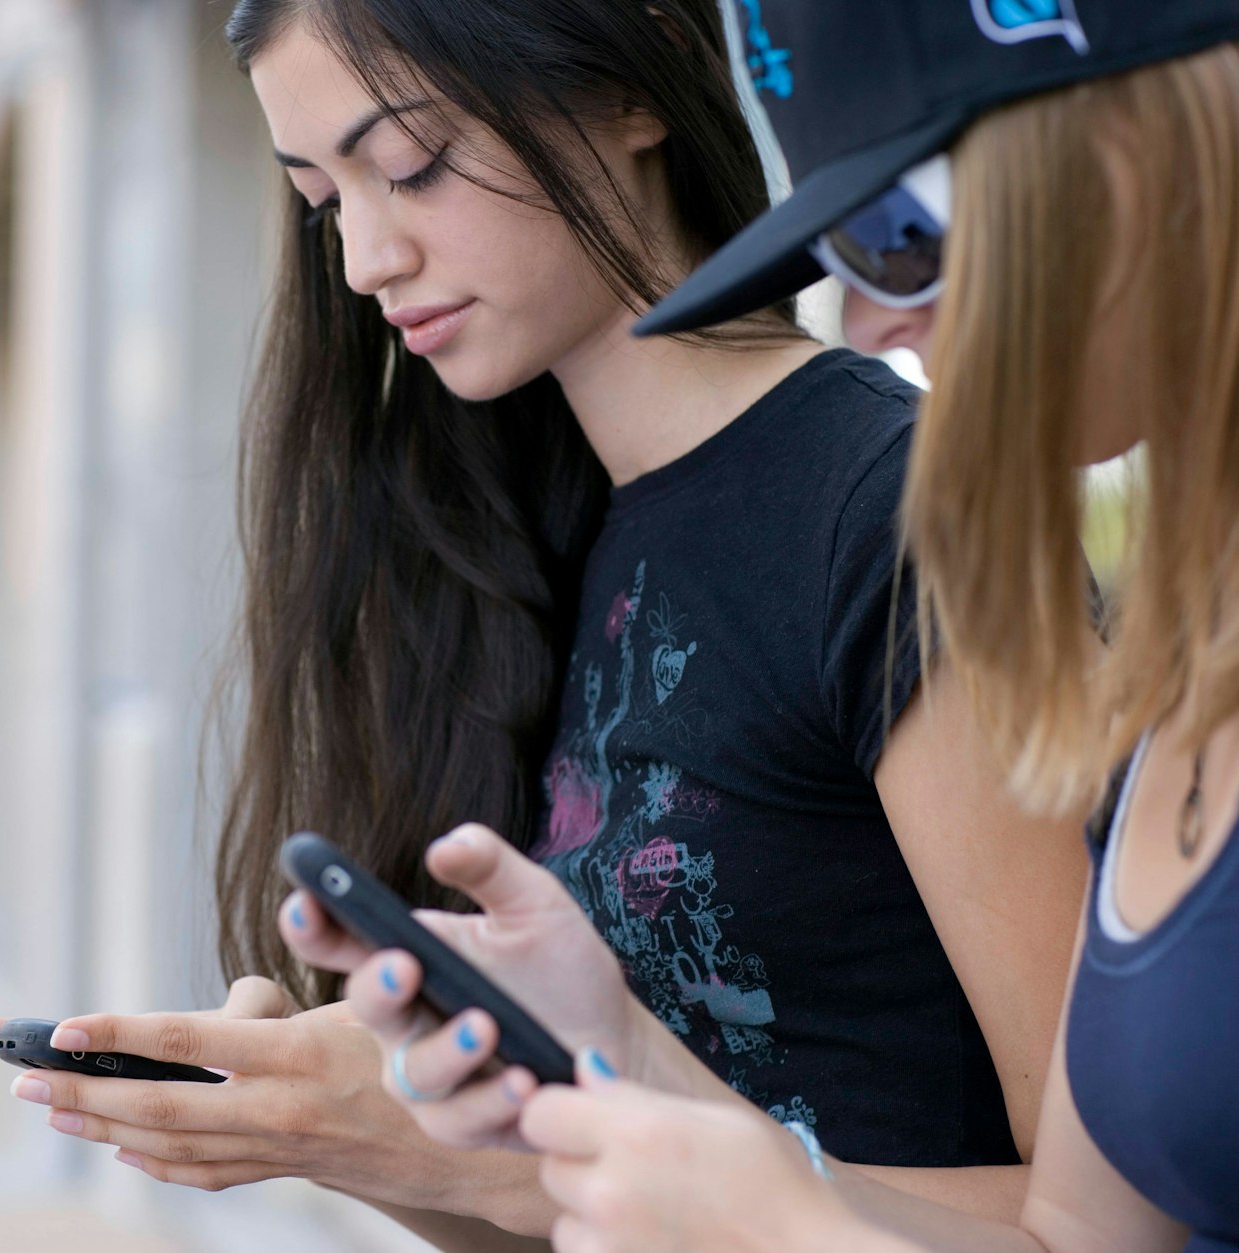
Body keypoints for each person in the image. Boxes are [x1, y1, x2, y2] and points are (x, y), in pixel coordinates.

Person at [0, 0, 1089, 1243]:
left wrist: (509, 1160)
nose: (363, 260)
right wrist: (364, 1132)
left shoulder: (888, 511)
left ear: (631, 88)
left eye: (410, 164)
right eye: (323, 202)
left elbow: (1102, 1223)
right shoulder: (500, 534)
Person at [291, 2, 1239, 1250]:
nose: (863, 323)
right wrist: (610, 1067)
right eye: (837, 249)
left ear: (1123, 157)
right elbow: (1094, 1232)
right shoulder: (1190, 672)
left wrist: (746, 1214)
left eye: (898, 237)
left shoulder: (869, 510)